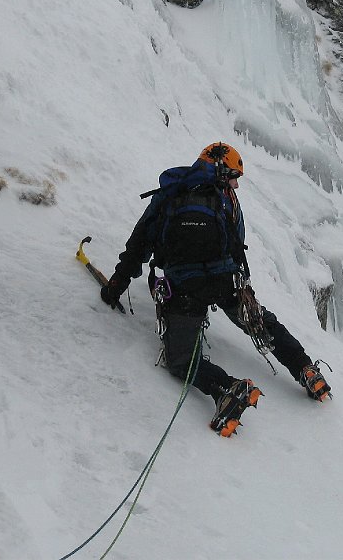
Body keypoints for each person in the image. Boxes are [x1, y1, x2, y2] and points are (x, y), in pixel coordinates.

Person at [101, 142, 331, 437]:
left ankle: (226, 388)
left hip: (184, 289)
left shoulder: (171, 193)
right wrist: (243, 287)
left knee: (180, 360)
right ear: (222, 171)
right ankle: (305, 369)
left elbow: (138, 246)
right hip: (226, 284)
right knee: (262, 325)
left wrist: (116, 286)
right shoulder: (226, 199)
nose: (236, 183)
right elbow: (237, 246)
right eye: (234, 176)